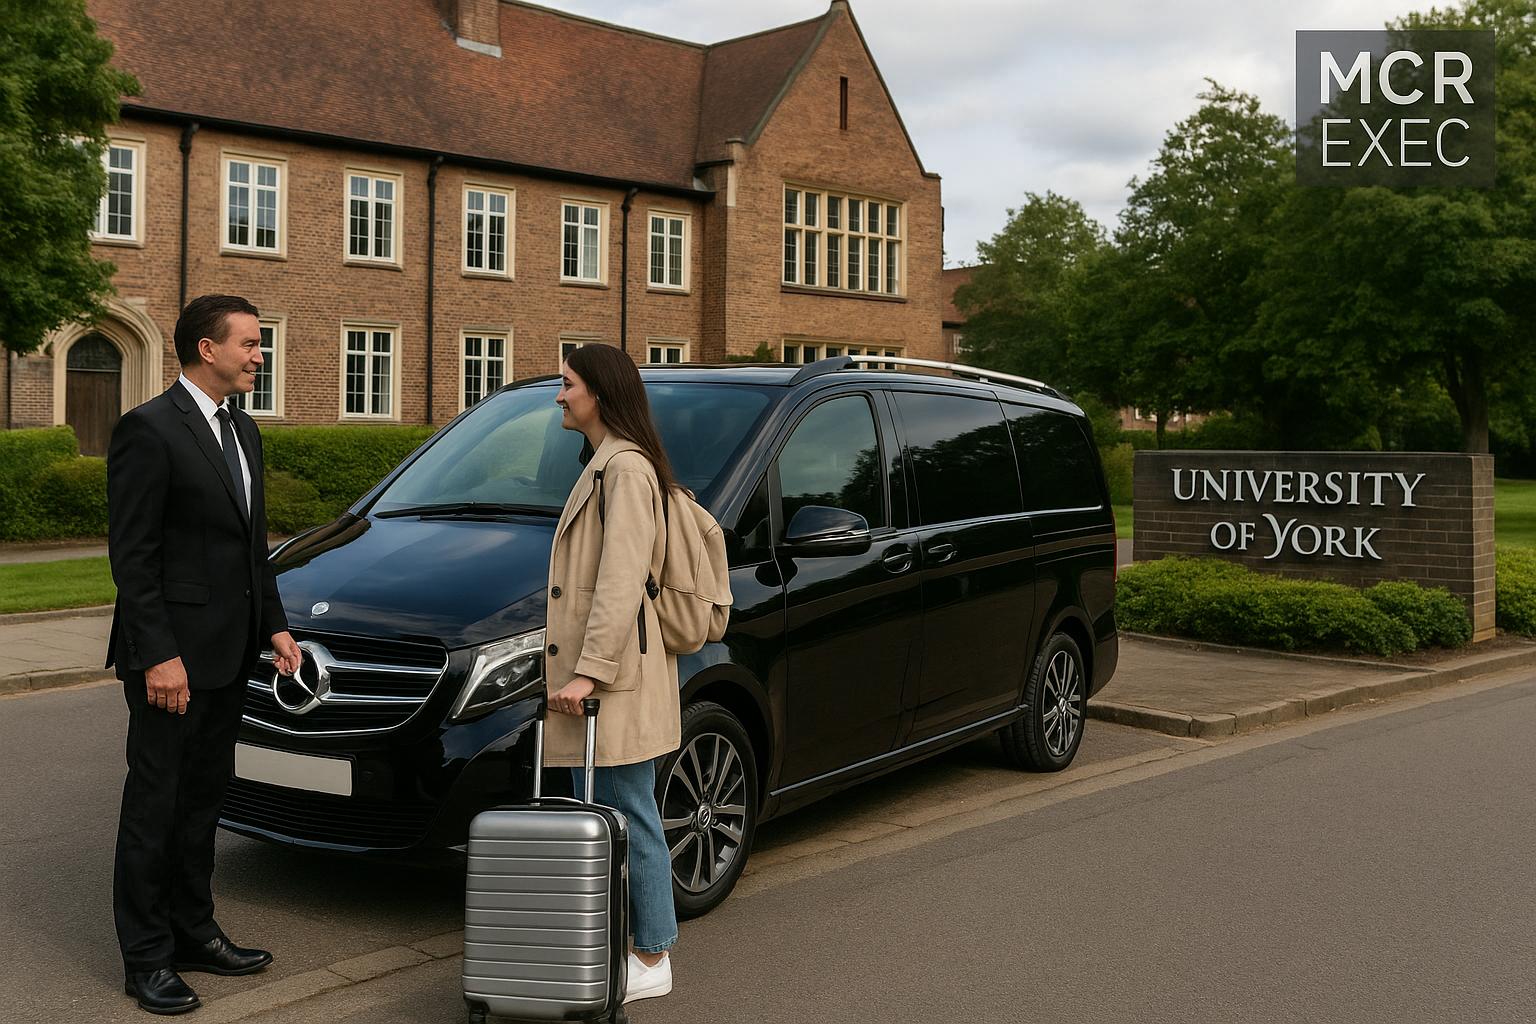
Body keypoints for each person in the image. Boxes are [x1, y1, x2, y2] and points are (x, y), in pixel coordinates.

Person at [105, 294, 301, 1015]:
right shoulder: (148, 430)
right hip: (171, 664)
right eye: (249, 344)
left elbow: (253, 550)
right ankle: (147, 958)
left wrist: (275, 627)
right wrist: (157, 655)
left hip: (229, 656)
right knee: (155, 807)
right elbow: (134, 558)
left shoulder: (244, 430)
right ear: (205, 349)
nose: (259, 354)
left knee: (202, 803)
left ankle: (194, 931)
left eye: (259, 343)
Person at [544, 344, 680, 1003]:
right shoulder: (604, 465)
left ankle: (651, 955)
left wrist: (588, 674)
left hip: (611, 683)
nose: (560, 395)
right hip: (602, 680)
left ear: (597, 392)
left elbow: (621, 582)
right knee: (609, 813)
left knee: (629, 812)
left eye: (567, 384)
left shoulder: (623, 469)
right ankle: (617, 945)